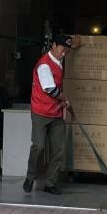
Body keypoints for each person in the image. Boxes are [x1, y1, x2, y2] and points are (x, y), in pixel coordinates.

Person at [23, 33, 73, 195]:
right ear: (53, 46)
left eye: (66, 50)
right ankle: (30, 176)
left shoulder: (58, 62)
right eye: (62, 49)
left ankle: (50, 183)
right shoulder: (44, 64)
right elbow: (50, 89)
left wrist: (62, 103)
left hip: (56, 114)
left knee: (59, 149)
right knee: (39, 146)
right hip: (41, 112)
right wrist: (64, 98)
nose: (63, 53)